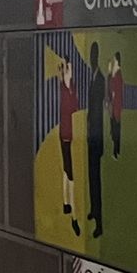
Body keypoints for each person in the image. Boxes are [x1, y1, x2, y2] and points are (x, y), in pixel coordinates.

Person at [84, 41, 106, 239]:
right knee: (91, 176)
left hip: (96, 137)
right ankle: (93, 209)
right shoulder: (93, 78)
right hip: (91, 134)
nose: (91, 59)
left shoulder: (99, 79)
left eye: (92, 55)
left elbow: (99, 109)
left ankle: (100, 222)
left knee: (96, 178)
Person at [57, 58, 79, 237]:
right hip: (66, 136)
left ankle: (66, 204)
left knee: (67, 171)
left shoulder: (70, 88)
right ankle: (73, 216)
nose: (70, 71)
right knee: (71, 175)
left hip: (69, 136)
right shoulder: (65, 91)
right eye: (67, 68)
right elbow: (72, 108)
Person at [108, 52, 125, 159]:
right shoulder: (116, 74)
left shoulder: (118, 74)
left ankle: (116, 150)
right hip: (115, 107)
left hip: (116, 107)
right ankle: (116, 150)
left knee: (115, 130)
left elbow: (114, 89)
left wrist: (110, 73)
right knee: (115, 129)